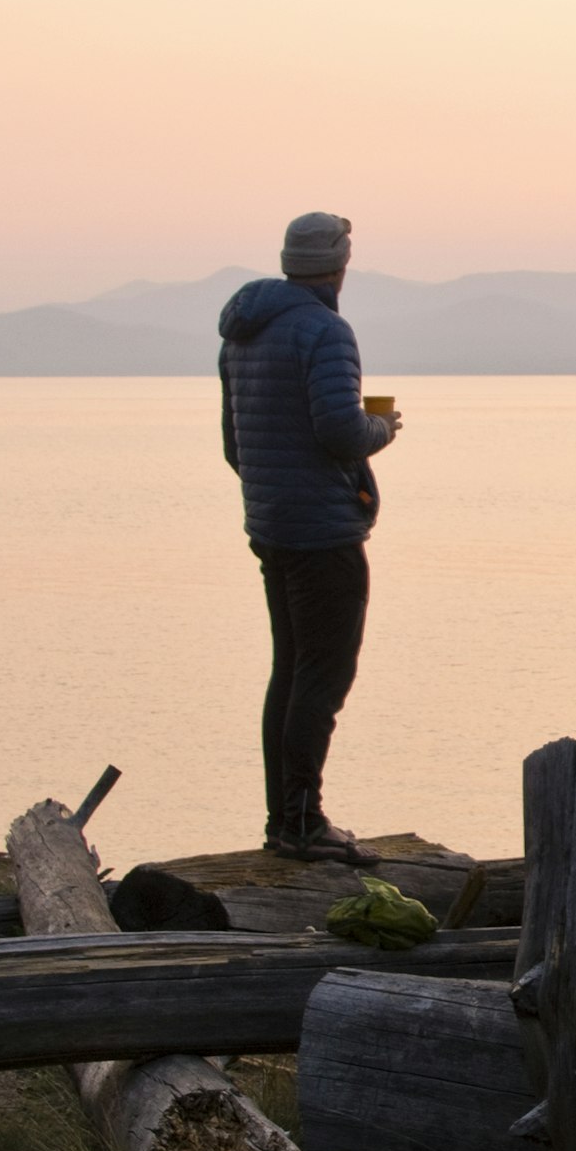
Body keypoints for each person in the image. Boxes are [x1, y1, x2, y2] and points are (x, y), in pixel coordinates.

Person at [219, 212, 397, 861]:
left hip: (272, 527)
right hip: (323, 534)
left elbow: (235, 445)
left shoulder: (242, 332)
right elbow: (341, 433)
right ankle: (301, 824)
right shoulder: (325, 330)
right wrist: (383, 426)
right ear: (340, 265)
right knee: (322, 678)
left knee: (290, 672)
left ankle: (284, 821)